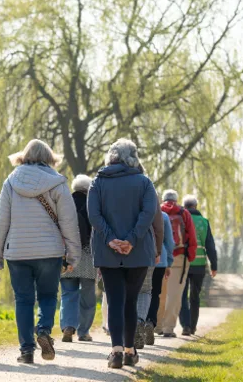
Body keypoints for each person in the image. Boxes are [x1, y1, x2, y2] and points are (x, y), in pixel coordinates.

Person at [0, 139, 81, 364]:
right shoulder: (58, 183)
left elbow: (1, 221)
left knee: (23, 300)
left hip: (18, 252)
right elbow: (69, 222)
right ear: (49, 158)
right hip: (49, 251)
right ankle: (43, 331)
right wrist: (73, 255)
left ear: (24, 156)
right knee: (48, 296)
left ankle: (26, 351)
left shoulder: (11, 182)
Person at [88, 139, 158, 369]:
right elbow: (148, 213)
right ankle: (130, 350)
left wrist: (111, 239)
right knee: (131, 300)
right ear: (134, 157)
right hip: (137, 252)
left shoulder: (97, 182)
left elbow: (94, 215)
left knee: (115, 299)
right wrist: (131, 239)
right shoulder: (145, 183)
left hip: (108, 252)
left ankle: (116, 351)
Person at [60, 175, 96, 343]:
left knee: (68, 293)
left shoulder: (65, 203)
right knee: (88, 297)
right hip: (88, 255)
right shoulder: (93, 205)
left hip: (67, 255)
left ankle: (68, 326)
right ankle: (83, 331)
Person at [179, 195, 218, 336]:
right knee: (195, 296)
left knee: (182, 296)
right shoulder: (204, 222)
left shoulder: (181, 220)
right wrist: (214, 265)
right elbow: (210, 246)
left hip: (182, 264)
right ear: (195, 206)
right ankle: (193, 326)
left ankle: (185, 326)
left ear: (184, 206)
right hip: (199, 265)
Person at [161, 190, 197, 338]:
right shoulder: (184, 213)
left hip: (158, 256)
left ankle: (155, 325)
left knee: (158, 292)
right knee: (175, 295)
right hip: (179, 257)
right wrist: (190, 257)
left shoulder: (156, 210)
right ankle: (168, 328)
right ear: (176, 200)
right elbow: (191, 236)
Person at [134, 198, 164, 349]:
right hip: (146, 250)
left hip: (120, 250)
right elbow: (158, 227)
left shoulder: (118, 190)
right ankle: (139, 321)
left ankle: (128, 327)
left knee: (126, 290)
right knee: (145, 290)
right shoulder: (149, 194)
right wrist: (158, 251)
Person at [146, 211, 175, 337]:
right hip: (160, 259)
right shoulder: (163, 216)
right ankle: (151, 322)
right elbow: (169, 241)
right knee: (155, 293)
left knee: (139, 291)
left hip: (140, 260)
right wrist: (169, 262)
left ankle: (139, 321)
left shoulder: (137, 212)